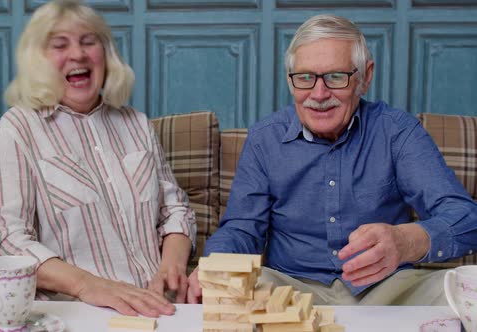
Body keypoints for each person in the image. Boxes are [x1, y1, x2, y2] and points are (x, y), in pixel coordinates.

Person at [187, 14, 477, 306]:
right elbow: (241, 227)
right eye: (305, 78)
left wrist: (406, 241)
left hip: (389, 289)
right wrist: (213, 265)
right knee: (234, 290)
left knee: (462, 290)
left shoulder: (398, 131)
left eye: (336, 77)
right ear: (291, 81)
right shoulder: (265, 138)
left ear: (365, 76)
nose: (319, 93)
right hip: (289, 289)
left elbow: (466, 219)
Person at [0, 0, 196, 317]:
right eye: (59, 45)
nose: (78, 55)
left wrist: (171, 266)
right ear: (37, 60)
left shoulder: (137, 123)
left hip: (159, 304)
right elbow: (7, 241)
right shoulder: (17, 130)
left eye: (88, 41)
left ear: (105, 55)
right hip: (75, 311)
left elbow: (174, 209)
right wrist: (88, 285)